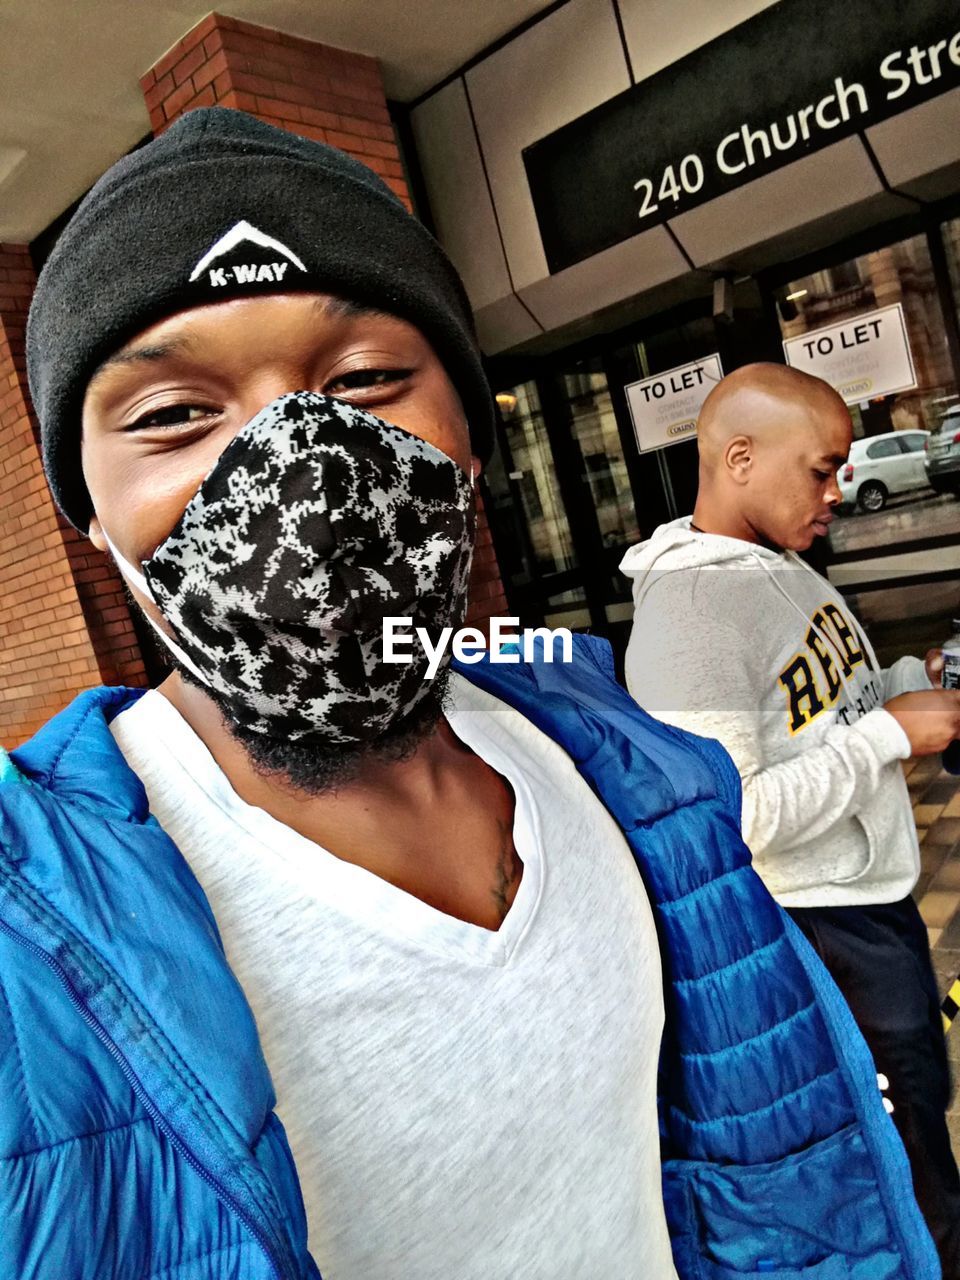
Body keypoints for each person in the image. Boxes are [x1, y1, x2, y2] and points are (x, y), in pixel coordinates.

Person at [0, 110, 939, 1279]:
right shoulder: (30, 936)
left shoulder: (610, 744)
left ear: (471, 435)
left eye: (367, 377)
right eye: (175, 414)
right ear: (85, 511)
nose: (300, 458)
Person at [622, 361, 960, 1277]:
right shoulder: (691, 615)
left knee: (924, 1128)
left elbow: (820, 719)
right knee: (908, 1179)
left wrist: (900, 687)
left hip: (870, 913)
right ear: (739, 458)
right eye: (821, 469)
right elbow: (736, 817)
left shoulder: (778, 568)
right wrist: (890, 733)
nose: (836, 492)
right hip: (827, 938)